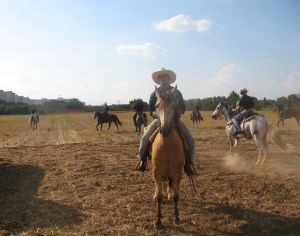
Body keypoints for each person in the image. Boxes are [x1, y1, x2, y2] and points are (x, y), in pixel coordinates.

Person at [136, 67, 196, 176]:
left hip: (175, 120)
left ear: (169, 79)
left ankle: (188, 164)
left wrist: (176, 111)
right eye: (161, 77)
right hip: (159, 120)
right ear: (158, 80)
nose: (163, 79)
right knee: (145, 137)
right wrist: (158, 114)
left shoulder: (177, 93)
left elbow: (183, 108)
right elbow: (151, 111)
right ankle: (143, 159)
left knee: (190, 140)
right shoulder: (154, 94)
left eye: (165, 77)